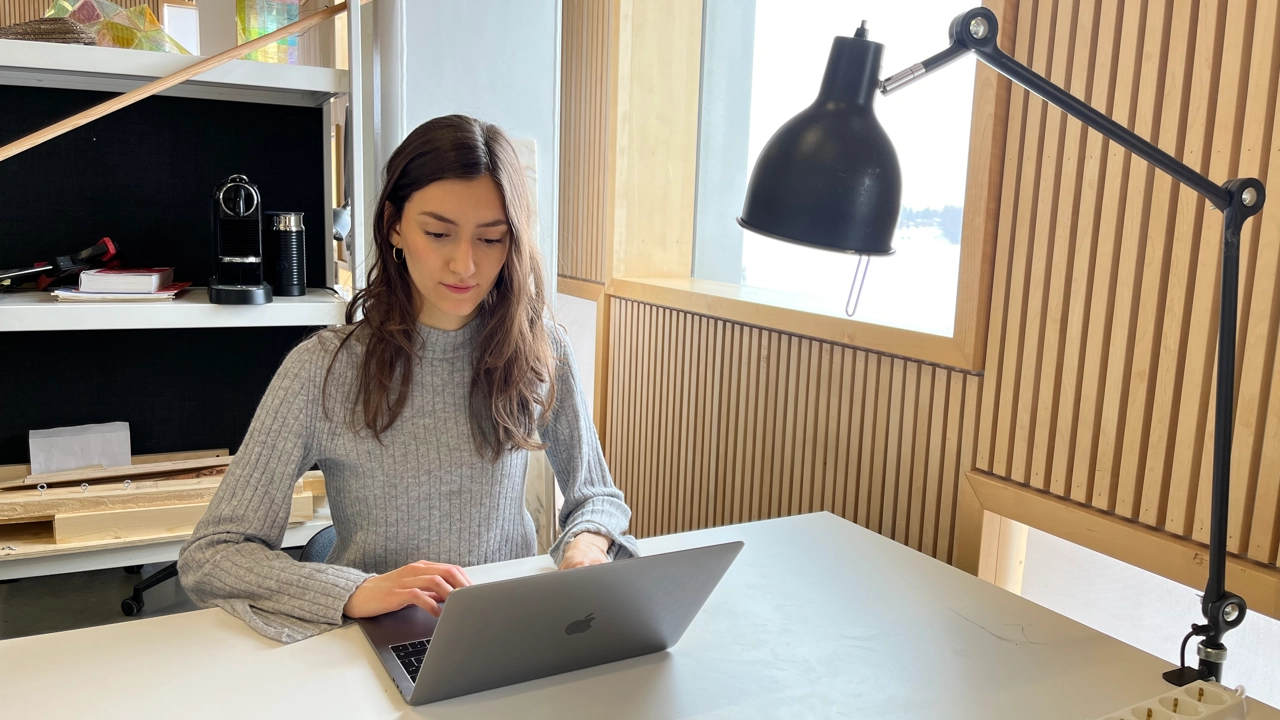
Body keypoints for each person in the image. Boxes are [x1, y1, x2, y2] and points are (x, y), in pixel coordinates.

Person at [178, 115, 637, 644]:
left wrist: (587, 545)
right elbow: (212, 556)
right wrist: (354, 591)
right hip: (378, 636)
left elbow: (597, 496)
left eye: (490, 239)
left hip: (506, 627)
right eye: (438, 233)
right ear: (395, 225)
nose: (464, 263)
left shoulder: (539, 347)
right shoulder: (322, 369)